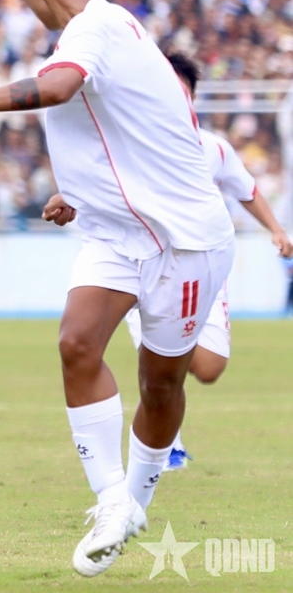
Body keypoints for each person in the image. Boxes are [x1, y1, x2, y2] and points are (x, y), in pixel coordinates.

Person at [0, 0, 236, 577]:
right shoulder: (101, 30)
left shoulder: (94, 29)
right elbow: (128, 132)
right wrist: (79, 193)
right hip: (118, 232)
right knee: (76, 344)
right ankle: (112, 504)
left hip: (186, 242)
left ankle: (135, 501)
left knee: (161, 384)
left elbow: (58, 89)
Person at [119, 53, 293, 469]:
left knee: (209, 368)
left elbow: (247, 190)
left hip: (204, 270)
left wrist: (276, 228)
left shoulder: (213, 149)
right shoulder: (130, 143)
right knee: (161, 368)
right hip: (151, 269)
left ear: (191, 98)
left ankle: (160, 347)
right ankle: (165, 447)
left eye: (180, 91)